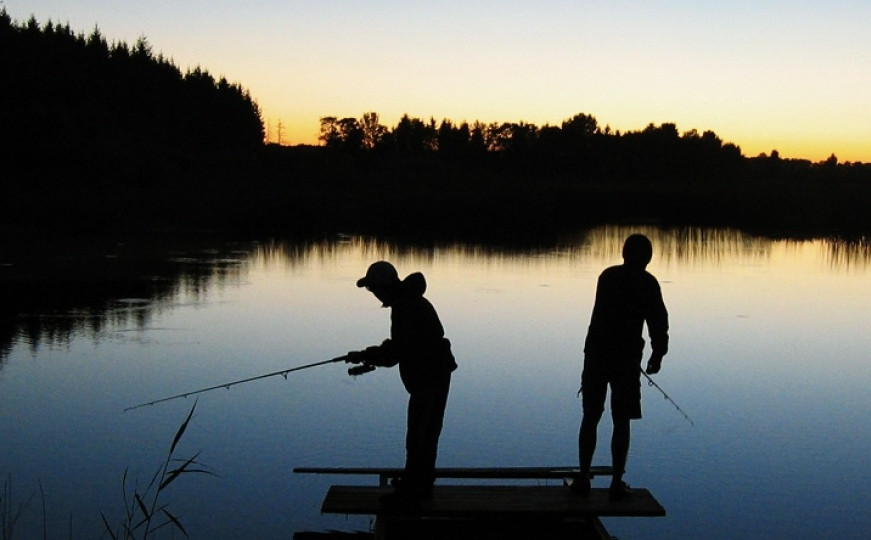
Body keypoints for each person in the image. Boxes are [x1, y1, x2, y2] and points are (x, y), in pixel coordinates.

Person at [348, 261, 457, 505]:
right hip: (434, 373)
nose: (372, 293)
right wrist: (367, 354)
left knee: (420, 434)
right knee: (425, 433)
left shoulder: (405, 306)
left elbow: (396, 352)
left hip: (430, 376)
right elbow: (401, 346)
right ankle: (418, 483)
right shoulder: (406, 302)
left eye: (372, 288)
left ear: (384, 286)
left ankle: (412, 492)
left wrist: (366, 355)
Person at [575, 234, 669, 500]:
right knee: (621, 419)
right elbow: (658, 321)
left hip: (597, 354)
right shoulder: (648, 283)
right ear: (648, 258)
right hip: (625, 359)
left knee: (590, 416)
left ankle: (583, 478)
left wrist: (656, 351)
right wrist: (658, 353)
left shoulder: (607, 277)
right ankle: (616, 482)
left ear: (623, 253)